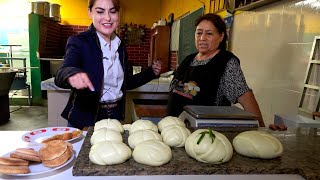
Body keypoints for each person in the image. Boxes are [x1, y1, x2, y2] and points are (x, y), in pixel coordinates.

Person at [54, 0, 161, 130]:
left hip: (114, 116)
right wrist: (71, 74)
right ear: (90, 12)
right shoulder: (80, 42)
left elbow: (126, 82)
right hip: (85, 118)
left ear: (119, 13)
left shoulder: (120, 46)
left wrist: (150, 73)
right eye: (100, 11)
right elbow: (62, 71)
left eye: (113, 11)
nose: (108, 18)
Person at [166, 13, 265, 127]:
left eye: (209, 33)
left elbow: (245, 96)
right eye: (199, 33)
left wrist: (262, 128)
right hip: (172, 128)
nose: (202, 38)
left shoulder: (225, 62)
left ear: (221, 36)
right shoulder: (188, 59)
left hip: (204, 134)